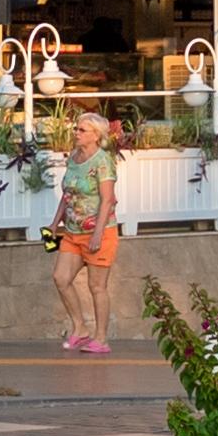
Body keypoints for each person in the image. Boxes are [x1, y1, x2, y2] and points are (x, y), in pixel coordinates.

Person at [47, 110, 126, 354]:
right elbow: (68, 194)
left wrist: (97, 234)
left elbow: (107, 200)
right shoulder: (74, 157)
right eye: (76, 129)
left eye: (82, 130)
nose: (76, 133)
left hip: (98, 232)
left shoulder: (103, 161)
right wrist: (54, 224)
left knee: (97, 286)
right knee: (61, 278)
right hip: (72, 232)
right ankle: (79, 328)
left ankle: (101, 338)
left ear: (96, 135)